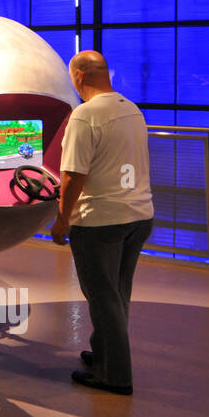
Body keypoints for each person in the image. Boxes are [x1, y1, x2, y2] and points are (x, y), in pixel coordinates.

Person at [49, 50, 155, 396]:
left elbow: (73, 176)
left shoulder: (84, 116)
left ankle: (115, 377)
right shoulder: (131, 109)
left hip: (100, 222)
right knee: (117, 293)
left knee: (102, 297)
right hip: (138, 217)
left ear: (78, 76)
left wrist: (62, 221)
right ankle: (103, 353)